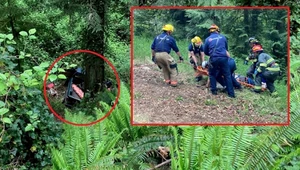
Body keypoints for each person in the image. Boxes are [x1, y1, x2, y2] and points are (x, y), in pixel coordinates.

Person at [203, 24, 235, 98]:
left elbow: (205, 51)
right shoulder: (223, 38)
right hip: (223, 58)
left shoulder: (208, 39)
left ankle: (214, 91)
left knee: (212, 74)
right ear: (217, 30)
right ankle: (231, 94)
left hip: (213, 58)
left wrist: (212, 53)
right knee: (227, 75)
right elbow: (226, 49)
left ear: (210, 31)